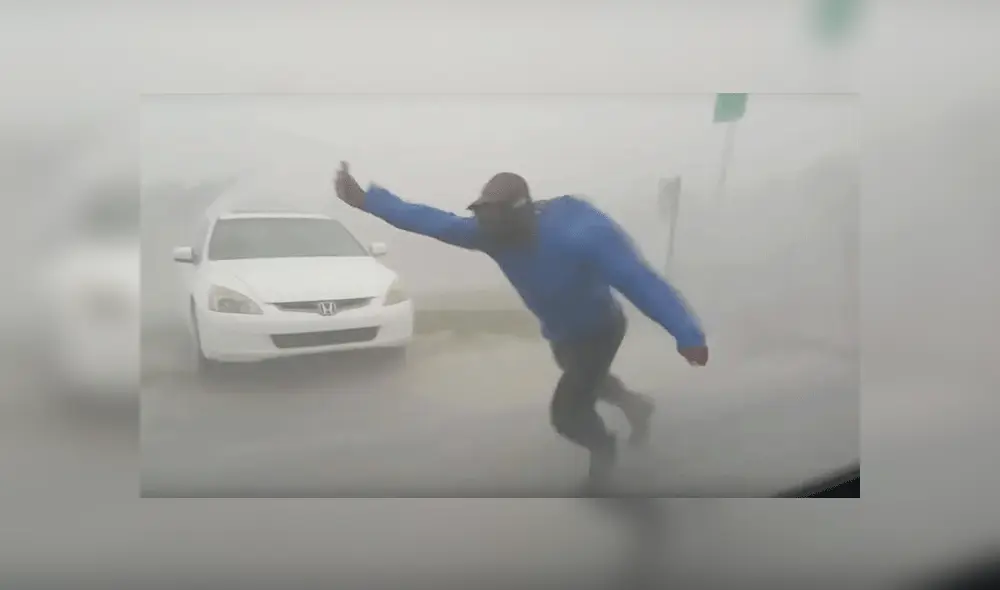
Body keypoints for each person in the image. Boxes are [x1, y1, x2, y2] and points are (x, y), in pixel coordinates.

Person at [334, 162, 708, 494]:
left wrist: (686, 333)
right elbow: (429, 220)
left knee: (568, 412)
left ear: (520, 214)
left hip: (601, 329)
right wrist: (368, 201)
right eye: (484, 221)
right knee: (589, 380)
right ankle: (637, 407)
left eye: (497, 223)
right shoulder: (487, 233)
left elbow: (638, 280)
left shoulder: (581, 234)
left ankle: (604, 453)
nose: (490, 233)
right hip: (562, 334)